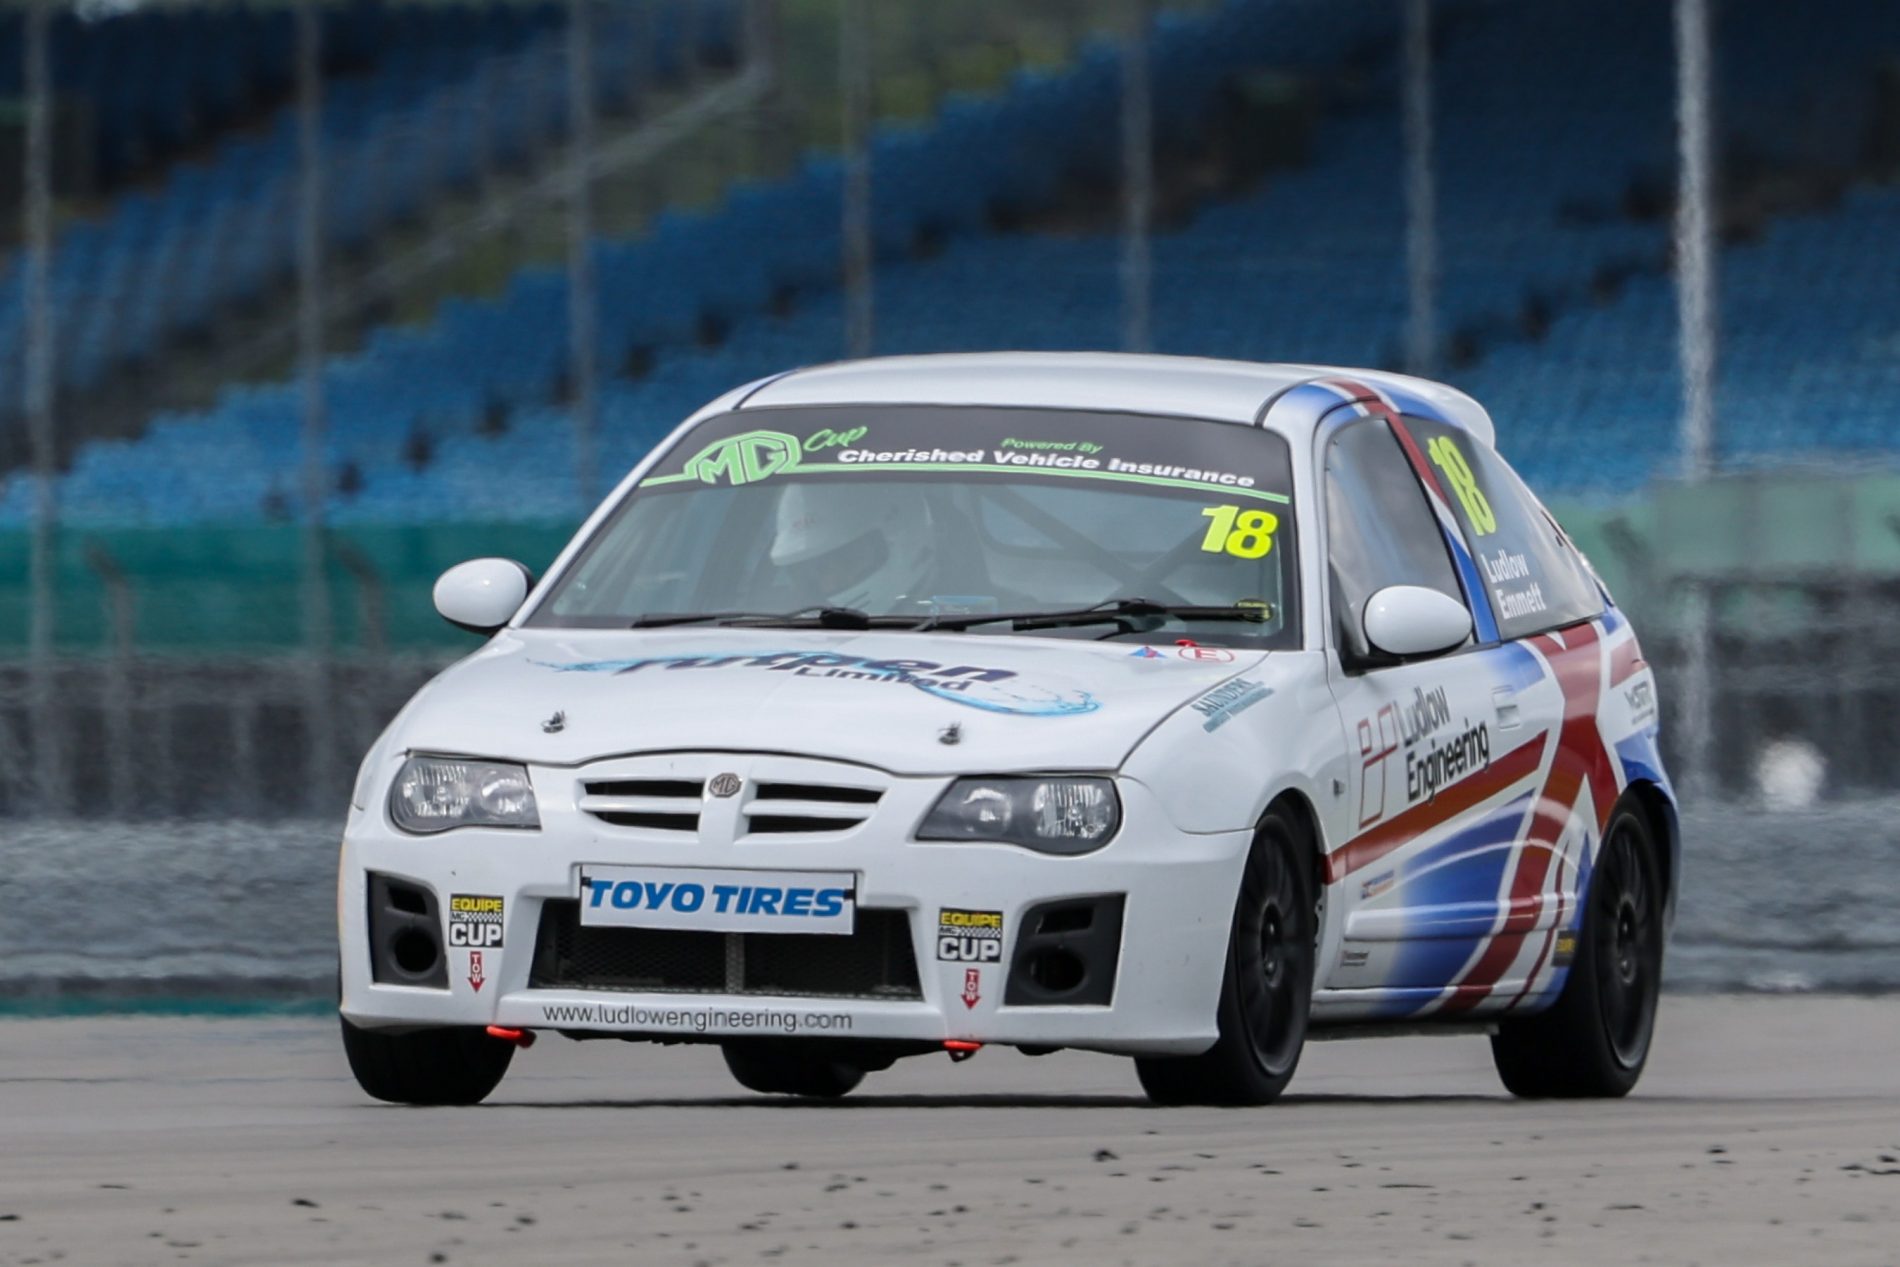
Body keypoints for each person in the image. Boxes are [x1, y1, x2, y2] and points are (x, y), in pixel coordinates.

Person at [770, 482, 937, 612]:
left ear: (901, 537)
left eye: (846, 559)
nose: (829, 584)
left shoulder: (958, 628)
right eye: (816, 569)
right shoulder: (781, 622)